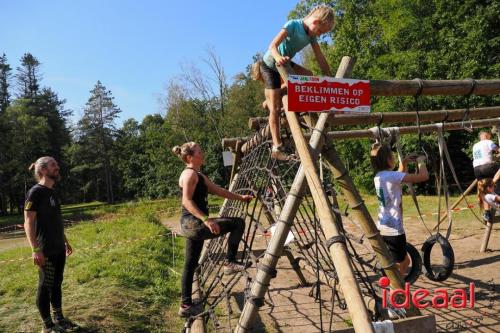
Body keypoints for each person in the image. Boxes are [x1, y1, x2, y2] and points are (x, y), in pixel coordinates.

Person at [172, 142, 253, 318]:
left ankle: (185, 305)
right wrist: (206, 219)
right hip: (195, 224)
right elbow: (186, 201)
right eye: (200, 151)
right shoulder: (189, 175)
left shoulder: (198, 175)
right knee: (238, 223)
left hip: (190, 225)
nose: (203, 153)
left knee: (190, 264)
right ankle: (229, 261)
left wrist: (240, 197)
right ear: (190, 157)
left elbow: (219, 191)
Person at [260, 5, 334, 160]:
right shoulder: (293, 25)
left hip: (285, 64)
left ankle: (275, 94)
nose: (319, 35)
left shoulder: (311, 36)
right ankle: (277, 147)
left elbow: (320, 57)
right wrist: (277, 56)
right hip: (270, 66)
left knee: (308, 76)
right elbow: (272, 46)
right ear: (315, 22)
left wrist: (331, 77)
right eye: (320, 31)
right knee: (275, 108)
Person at [24, 157, 79, 333]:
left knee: (56, 283)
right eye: (53, 165)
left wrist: (65, 241)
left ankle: (59, 319)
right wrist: (35, 249)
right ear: (43, 170)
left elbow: (56, 220)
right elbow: (28, 222)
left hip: (58, 247)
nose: (57, 167)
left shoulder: (52, 192)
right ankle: (47, 326)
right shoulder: (35, 192)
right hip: (44, 249)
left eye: (56, 164)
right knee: (45, 285)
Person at [370, 144, 429, 276]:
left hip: (383, 226)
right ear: (388, 160)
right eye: (392, 156)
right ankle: (396, 290)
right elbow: (423, 176)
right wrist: (421, 161)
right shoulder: (391, 176)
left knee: (405, 261)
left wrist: (404, 162)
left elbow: (399, 175)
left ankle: (395, 285)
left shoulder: (380, 176)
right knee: (399, 266)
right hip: (394, 231)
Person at [472, 131, 500, 210]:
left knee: (484, 190)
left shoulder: (475, 145)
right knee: (497, 178)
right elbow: (496, 148)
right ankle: (498, 198)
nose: (490, 138)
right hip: (487, 167)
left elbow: (483, 156)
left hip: (477, 169)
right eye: (490, 136)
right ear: (486, 136)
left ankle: (487, 212)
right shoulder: (488, 142)